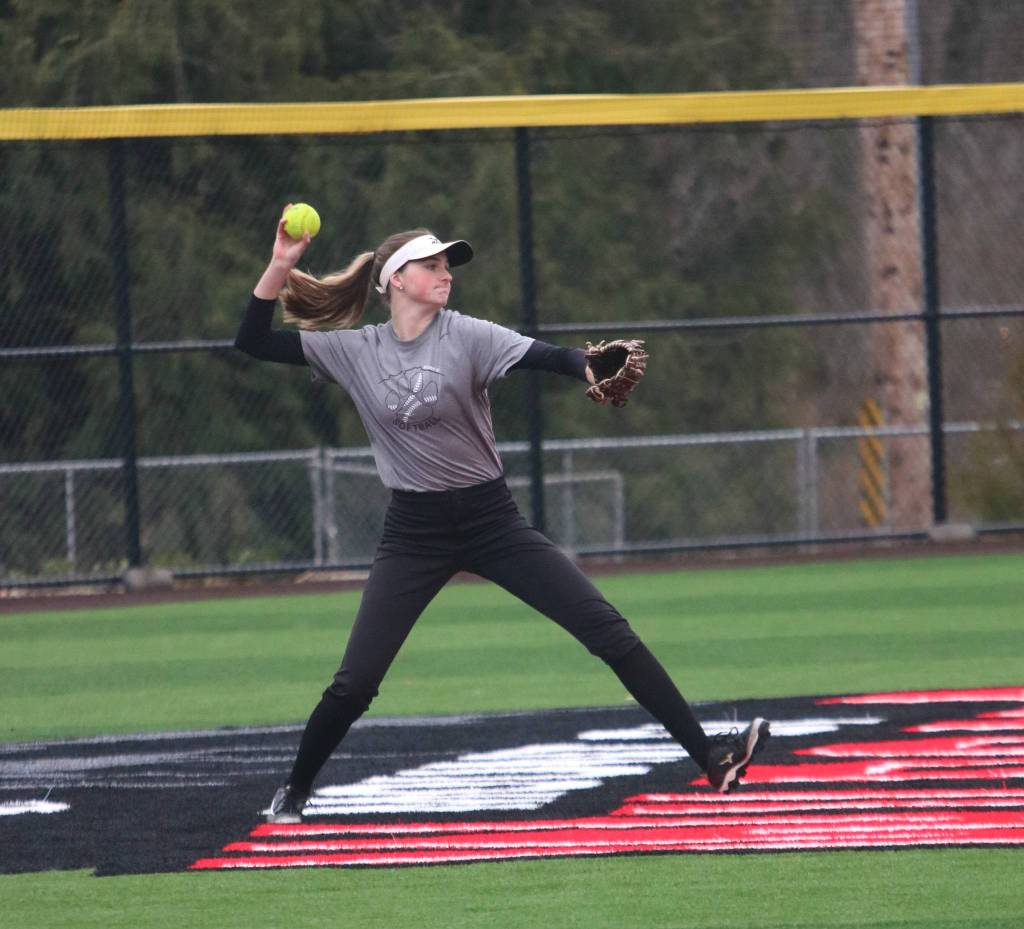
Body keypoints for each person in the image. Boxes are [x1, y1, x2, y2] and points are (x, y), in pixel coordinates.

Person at [235, 207, 770, 823]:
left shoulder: (466, 335)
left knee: (608, 632)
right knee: (355, 685)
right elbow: (251, 342)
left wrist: (587, 365)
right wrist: (280, 265)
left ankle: (712, 757)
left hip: (493, 522)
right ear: (396, 280)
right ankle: (294, 792)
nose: (445, 274)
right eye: (431, 265)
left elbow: (549, 356)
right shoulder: (357, 351)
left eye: (446, 265)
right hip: (414, 534)